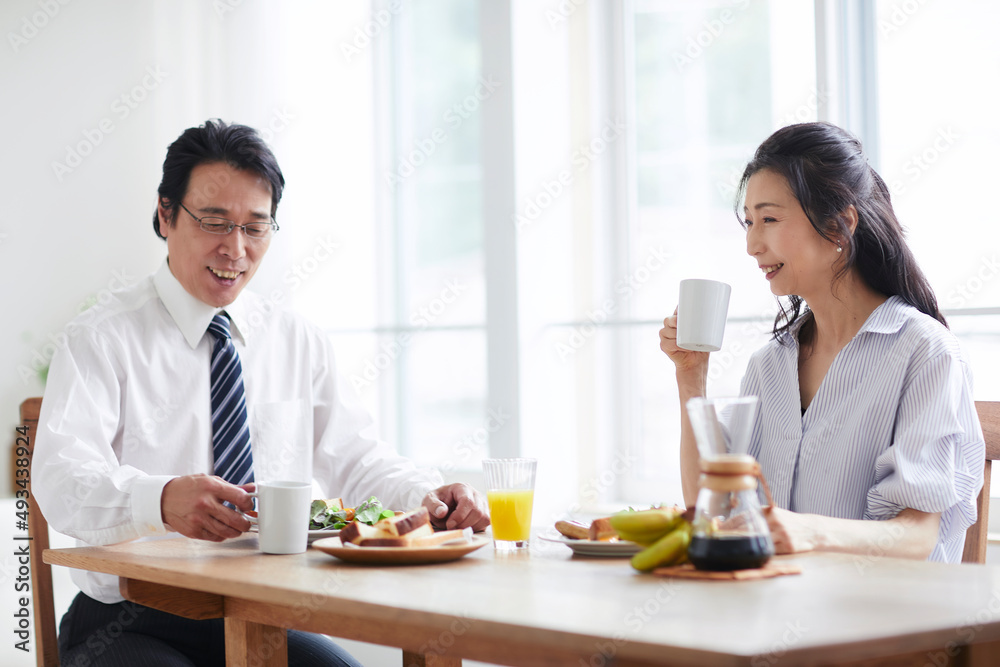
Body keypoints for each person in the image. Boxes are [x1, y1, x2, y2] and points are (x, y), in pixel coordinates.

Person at [33, 119, 490, 667]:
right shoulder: (101, 337)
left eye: (255, 227)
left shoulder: (297, 340)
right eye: (214, 223)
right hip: (129, 620)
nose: (236, 249)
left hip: (265, 611)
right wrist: (160, 499)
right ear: (165, 215)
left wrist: (428, 499)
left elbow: (359, 461)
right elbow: (60, 477)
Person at [658, 122, 983, 563]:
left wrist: (809, 531)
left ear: (839, 224)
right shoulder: (767, 366)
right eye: (749, 222)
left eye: (770, 219)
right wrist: (690, 377)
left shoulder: (924, 351)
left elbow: (917, 535)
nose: (753, 244)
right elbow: (710, 512)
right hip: (775, 613)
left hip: (880, 623)